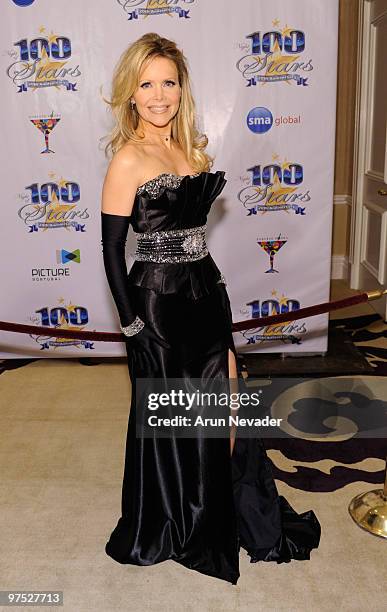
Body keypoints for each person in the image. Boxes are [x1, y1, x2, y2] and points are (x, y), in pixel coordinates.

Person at [100, 32, 321, 585]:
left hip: (204, 294)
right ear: (130, 94)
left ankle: (217, 509)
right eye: (146, 84)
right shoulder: (128, 159)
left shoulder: (190, 150)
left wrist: (215, 298)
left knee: (224, 413)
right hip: (158, 305)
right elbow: (110, 250)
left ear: (181, 89)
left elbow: (195, 236)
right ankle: (180, 522)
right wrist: (132, 325)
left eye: (168, 83)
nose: (158, 96)